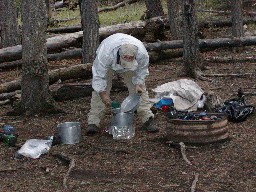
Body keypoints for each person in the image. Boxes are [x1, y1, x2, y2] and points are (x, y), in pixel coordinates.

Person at [87, 33, 159, 134]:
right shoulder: (106, 54)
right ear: (120, 55)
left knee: (140, 90)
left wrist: (138, 84)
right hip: (109, 62)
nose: (128, 60)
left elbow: (142, 70)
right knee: (100, 91)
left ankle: (147, 119)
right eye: (126, 58)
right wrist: (103, 94)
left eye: (131, 59)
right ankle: (93, 122)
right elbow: (99, 75)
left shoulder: (142, 54)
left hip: (130, 61)